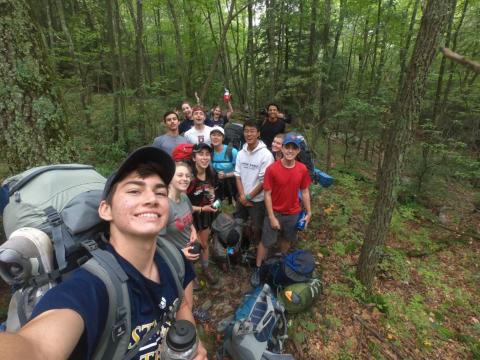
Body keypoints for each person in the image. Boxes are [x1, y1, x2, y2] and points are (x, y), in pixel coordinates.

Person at [0, 146, 207, 359]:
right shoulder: (90, 289)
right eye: (134, 190)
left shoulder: (172, 258)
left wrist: (192, 346)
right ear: (105, 210)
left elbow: (180, 303)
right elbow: (36, 348)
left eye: (160, 192)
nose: (151, 199)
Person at [251, 133, 312, 287]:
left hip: (293, 213)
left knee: (287, 239)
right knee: (266, 242)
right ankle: (258, 268)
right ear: (282, 148)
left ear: (298, 151)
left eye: (294, 148)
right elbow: (267, 193)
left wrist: (309, 212)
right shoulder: (272, 169)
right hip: (275, 211)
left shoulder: (302, 169)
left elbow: (304, 191)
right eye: (287, 147)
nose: (290, 151)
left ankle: (281, 263)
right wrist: (271, 216)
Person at [234, 119, 274, 268]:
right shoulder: (240, 153)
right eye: (246, 131)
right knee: (238, 222)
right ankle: (238, 248)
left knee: (258, 228)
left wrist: (249, 197)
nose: (249, 134)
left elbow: (264, 182)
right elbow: (237, 175)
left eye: (252, 131)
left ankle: (259, 256)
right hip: (242, 197)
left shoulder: (266, 155)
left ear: (258, 133)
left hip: (257, 200)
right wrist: (242, 196)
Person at [158, 161, 202, 292]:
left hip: (188, 249)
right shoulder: (164, 206)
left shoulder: (184, 197)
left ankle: (191, 277)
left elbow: (189, 219)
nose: (185, 179)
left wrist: (193, 230)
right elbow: (156, 241)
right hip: (173, 258)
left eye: (187, 176)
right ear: (170, 178)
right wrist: (179, 253)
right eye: (180, 175)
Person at [187, 143, 219, 285]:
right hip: (189, 216)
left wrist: (213, 198)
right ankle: (191, 275)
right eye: (201, 154)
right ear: (194, 157)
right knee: (193, 247)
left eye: (207, 154)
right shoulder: (188, 178)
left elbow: (213, 190)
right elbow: (181, 205)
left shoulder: (211, 173)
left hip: (205, 215)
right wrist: (201, 209)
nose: (205, 158)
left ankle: (206, 269)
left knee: (205, 244)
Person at [210, 126, 238, 204]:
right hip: (217, 185)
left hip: (232, 184)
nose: (215, 137)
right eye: (213, 135)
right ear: (210, 137)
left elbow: (241, 171)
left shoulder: (232, 151)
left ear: (223, 138)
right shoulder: (209, 153)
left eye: (218, 135)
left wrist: (226, 175)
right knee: (218, 205)